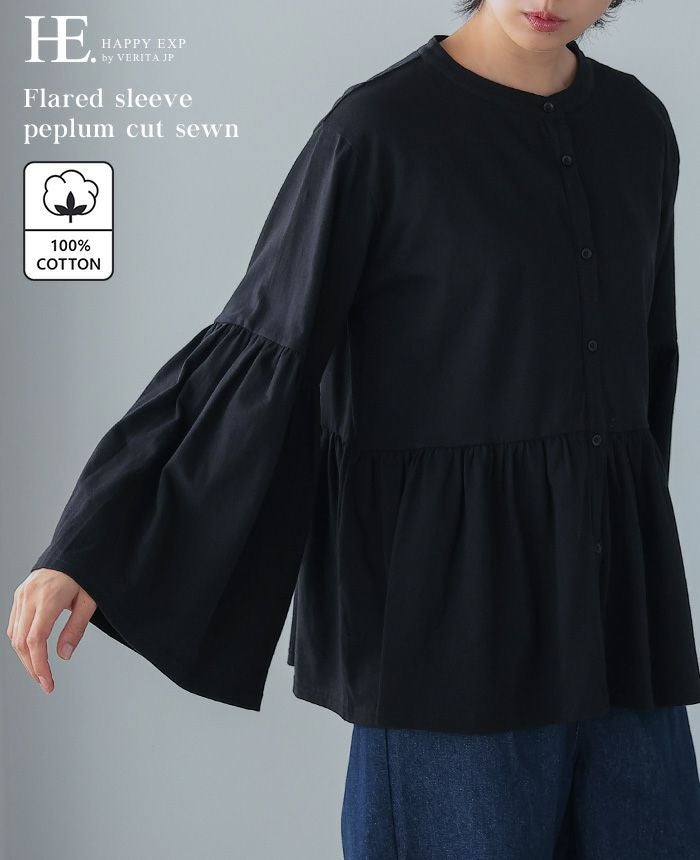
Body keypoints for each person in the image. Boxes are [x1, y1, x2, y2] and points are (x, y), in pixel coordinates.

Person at [9, 0, 700, 855]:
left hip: (619, 626)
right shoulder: (377, 133)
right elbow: (267, 343)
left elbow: (647, 364)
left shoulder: (638, 125)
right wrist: (96, 541)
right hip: (449, 634)